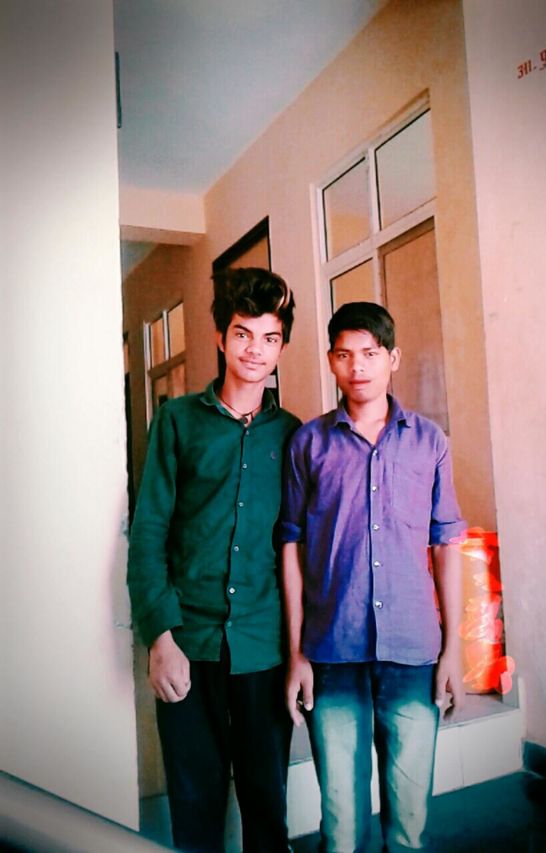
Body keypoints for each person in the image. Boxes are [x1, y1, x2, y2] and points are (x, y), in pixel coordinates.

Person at [281, 301, 467, 853]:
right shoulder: (308, 444)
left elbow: (446, 545)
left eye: (369, 353)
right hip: (333, 652)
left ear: (393, 358)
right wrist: (296, 653)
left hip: (413, 652)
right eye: (344, 355)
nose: (357, 366)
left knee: (408, 824)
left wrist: (453, 649)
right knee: (340, 825)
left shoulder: (429, 442)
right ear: (331, 362)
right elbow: (290, 546)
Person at [127, 267, 300, 853]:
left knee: (267, 806)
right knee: (195, 807)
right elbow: (148, 532)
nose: (255, 350)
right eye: (243, 333)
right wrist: (160, 638)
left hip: (262, 645)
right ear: (221, 338)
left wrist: (301, 651)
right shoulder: (176, 422)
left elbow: (297, 548)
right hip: (189, 642)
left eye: (270, 337)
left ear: (281, 347)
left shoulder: (293, 435)